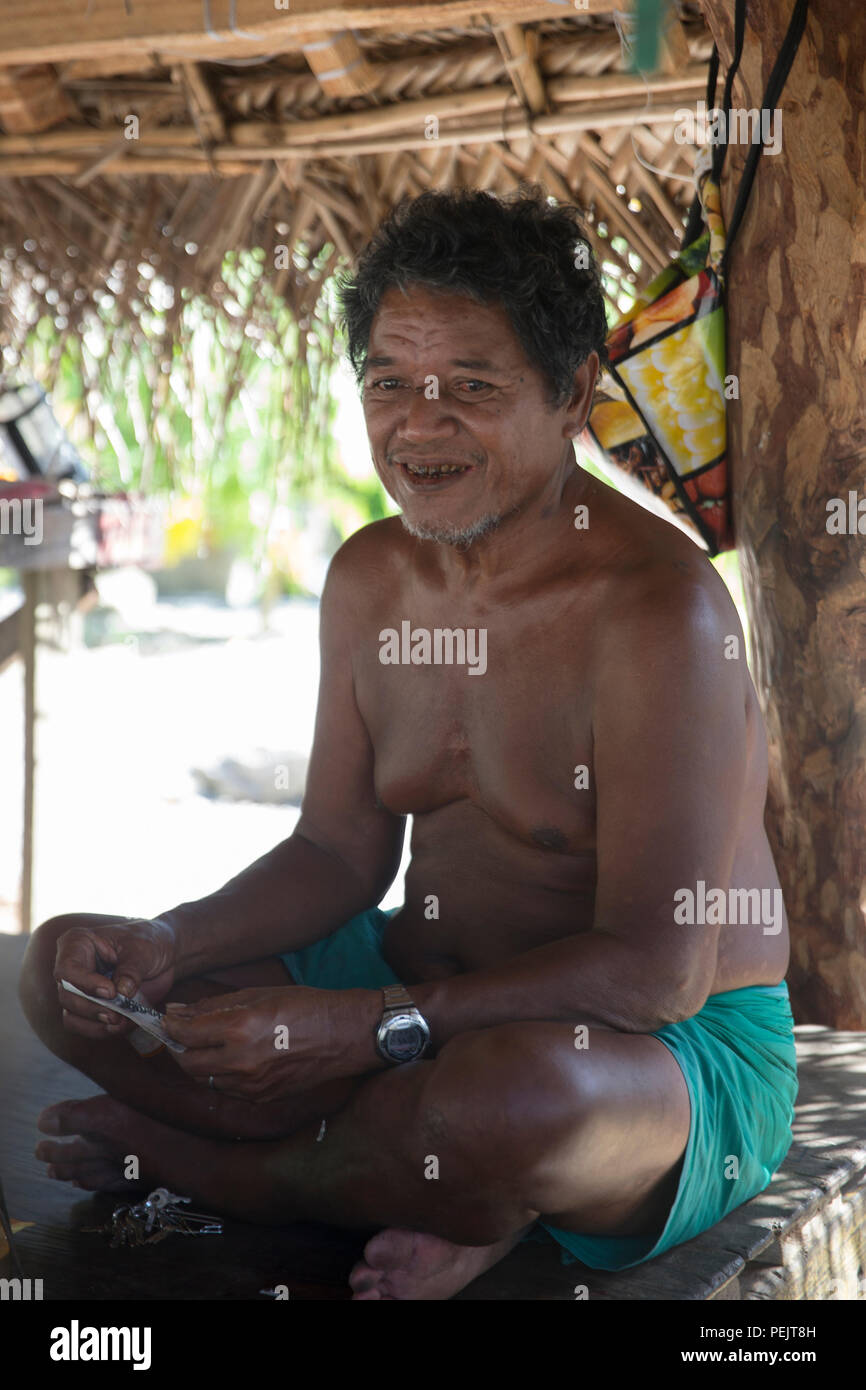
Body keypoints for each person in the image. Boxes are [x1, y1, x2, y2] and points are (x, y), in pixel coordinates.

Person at [19, 188, 797, 1301]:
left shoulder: (655, 611)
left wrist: (353, 1031)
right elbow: (338, 854)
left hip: (657, 1050)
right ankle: (437, 1184)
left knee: (519, 1102)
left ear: (571, 391)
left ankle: (262, 1173)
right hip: (415, 988)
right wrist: (169, 939)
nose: (417, 429)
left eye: (470, 390)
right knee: (71, 975)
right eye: (388, 384)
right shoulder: (370, 576)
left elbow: (654, 970)